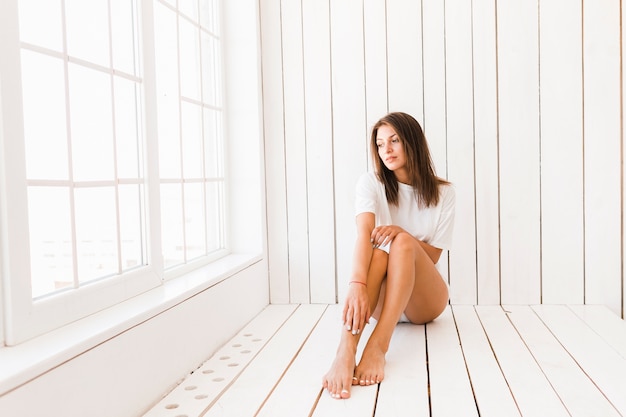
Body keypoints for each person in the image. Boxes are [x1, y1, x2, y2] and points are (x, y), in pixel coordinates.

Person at [322, 112, 455, 399]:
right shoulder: (371, 183)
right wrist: (356, 284)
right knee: (380, 254)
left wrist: (400, 233)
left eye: (394, 141)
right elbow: (364, 234)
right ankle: (346, 349)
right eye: (381, 144)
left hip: (425, 303)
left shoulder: (444, 193)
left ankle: (378, 346)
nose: (387, 150)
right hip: (381, 298)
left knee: (402, 243)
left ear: (413, 142)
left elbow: (432, 257)